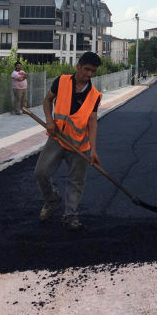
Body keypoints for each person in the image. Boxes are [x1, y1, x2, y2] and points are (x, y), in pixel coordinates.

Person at [34, 51, 102, 231]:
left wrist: (93, 150)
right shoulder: (61, 81)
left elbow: (92, 122)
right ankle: (52, 199)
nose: (89, 74)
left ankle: (70, 215)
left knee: (76, 181)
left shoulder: (94, 95)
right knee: (40, 172)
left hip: (80, 144)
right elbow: (48, 100)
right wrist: (49, 120)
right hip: (58, 138)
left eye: (93, 71)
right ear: (78, 66)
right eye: (87, 69)